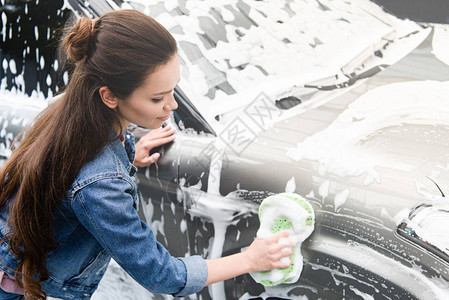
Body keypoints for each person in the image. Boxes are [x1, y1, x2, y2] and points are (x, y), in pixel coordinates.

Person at [0, 9, 293, 300]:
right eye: (158, 98)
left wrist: (127, 153)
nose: (173, 105)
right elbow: (162, 274)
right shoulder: (100, 183)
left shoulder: (68, 111)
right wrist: (250, 260)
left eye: (172, 90)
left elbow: (76, 177)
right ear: (109, 97)